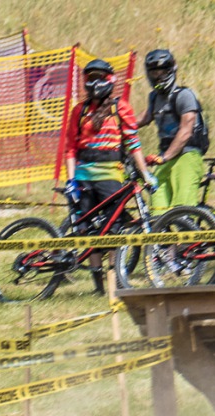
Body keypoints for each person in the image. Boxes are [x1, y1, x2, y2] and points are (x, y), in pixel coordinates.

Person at [64, 58, 155, 295]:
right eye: (90, 77)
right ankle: (98, 288)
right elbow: (71, 149)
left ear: (109, 80)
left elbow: (134, 143)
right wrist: (70, 180)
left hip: (110, 177)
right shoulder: (79, 110)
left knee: (112, 229)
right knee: (88, 230)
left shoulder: (121, 107)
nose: (94, 82)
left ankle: (114, 284)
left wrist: (145, 174)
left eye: (99, 77)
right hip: (83, 177)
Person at [137, 49, 209, 213]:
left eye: (163, 71)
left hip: (186, 155)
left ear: (171, 71)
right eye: (154, 72)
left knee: (182, 210)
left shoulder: (184, 95)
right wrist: (121, 126)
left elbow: (185, 132)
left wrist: (165, 157)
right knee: (157, 210)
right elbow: (146, 117)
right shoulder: (154, 97)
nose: (159, 76)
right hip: (164, 157)